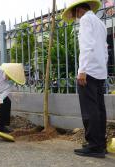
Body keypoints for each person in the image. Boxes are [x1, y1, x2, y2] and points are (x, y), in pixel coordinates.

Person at [62, 0, 108, 158]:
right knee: (100, 109)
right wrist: (103, 68)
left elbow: (87, 46)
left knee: (90, 110)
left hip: (89, 72)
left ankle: (94, 146)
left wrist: (82, 70)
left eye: (74, 14)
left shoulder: (86, 20)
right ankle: (100, 144)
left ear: (79, 10)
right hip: (100, 71)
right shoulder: (100, 23)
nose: (75, 18)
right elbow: (105, 50)